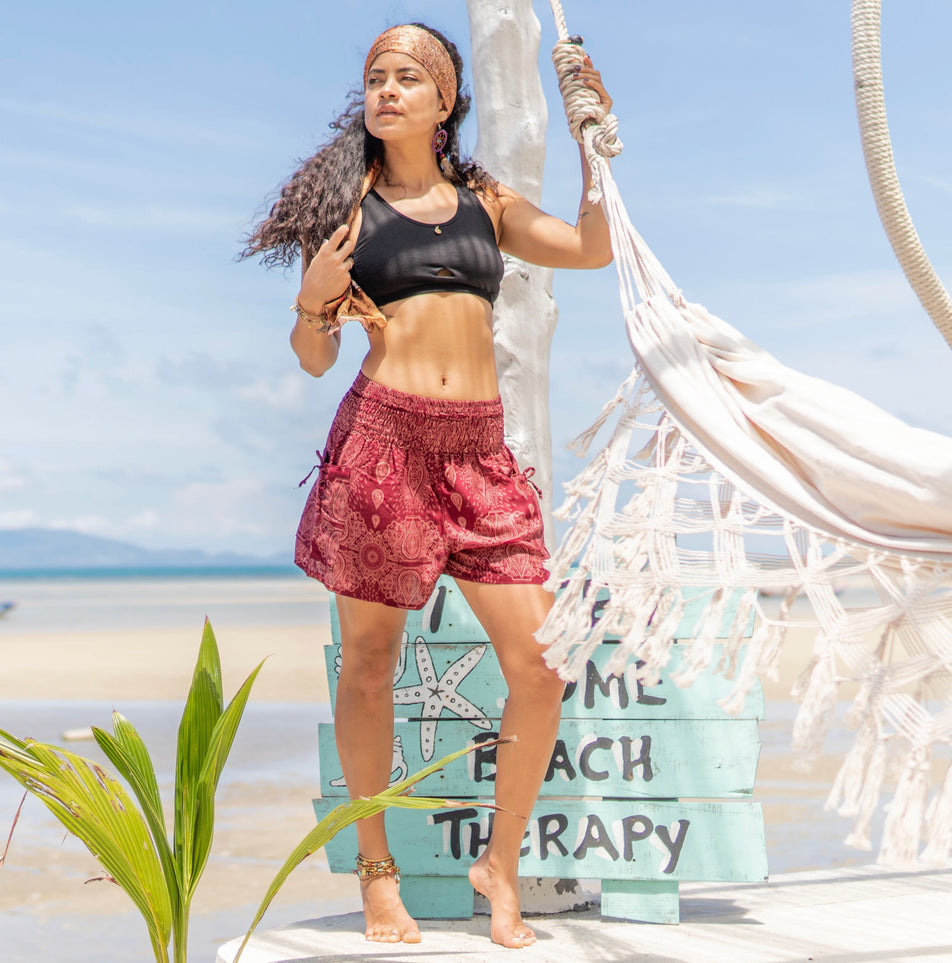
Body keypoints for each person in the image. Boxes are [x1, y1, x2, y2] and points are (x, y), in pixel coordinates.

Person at [242, 22, 613, 949]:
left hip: (480, 453)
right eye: (375, 77)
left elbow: (590, 248)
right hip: (383, 447)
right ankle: (378, 876)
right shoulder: (344, 210)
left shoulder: (485, 202)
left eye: (409, 77)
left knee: (538, 667)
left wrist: (590, 142)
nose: (388, 90)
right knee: (370, 666)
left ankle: (499, 861)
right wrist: (310, 298)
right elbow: (313, 359)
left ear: (444, 100)